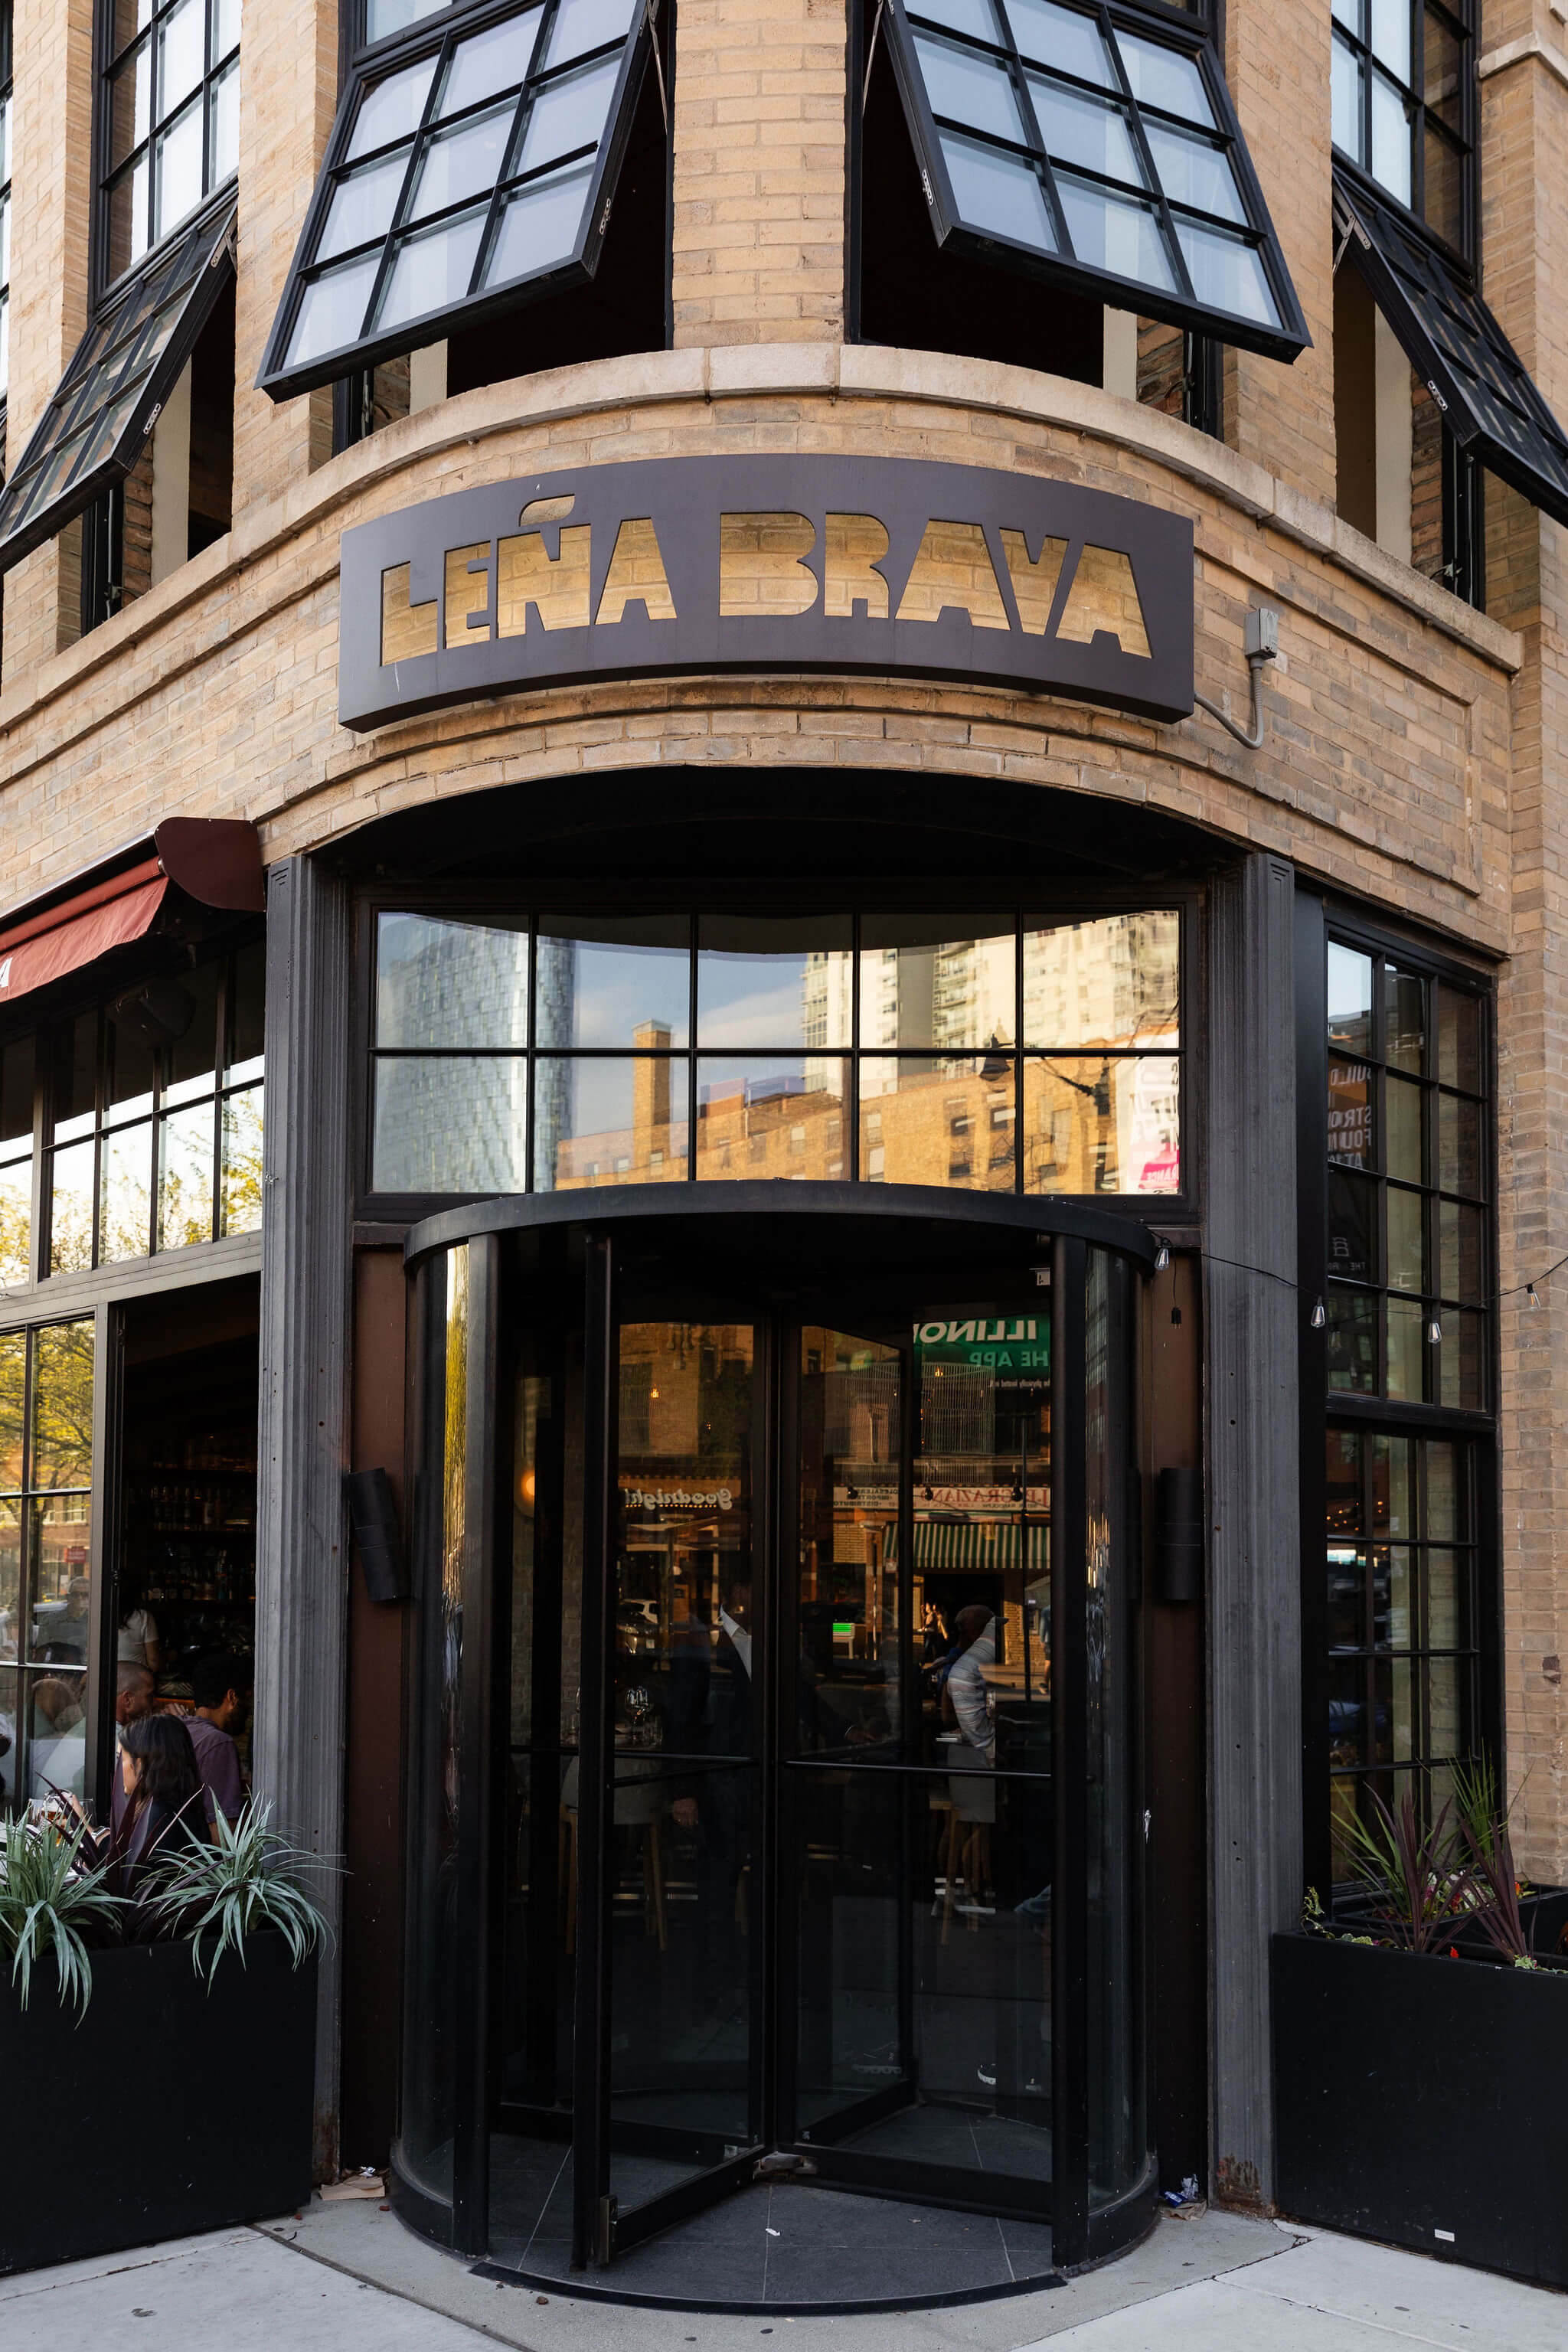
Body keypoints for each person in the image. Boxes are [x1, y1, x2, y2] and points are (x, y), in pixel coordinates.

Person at [111, 1714, 207, 1897]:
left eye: (120, 1757)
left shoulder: (161, 1815)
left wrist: (90, 1832)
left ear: (140, 1762)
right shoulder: (182, 1809)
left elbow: (128, 1877)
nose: (116, 1767)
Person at [186, 1652, 252, 1830]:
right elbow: (222, 1835)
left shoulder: (180, 1728)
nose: (250, 1710)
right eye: (248, 1699)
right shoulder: (219, 1743)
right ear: (232, 1697)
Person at [111, 1661, 155, 1835]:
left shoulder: (90, 1730)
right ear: (128, 1700)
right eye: (150, 1697)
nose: (155, 1703)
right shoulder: (125, 1741)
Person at [116, 1598, 162, 1673]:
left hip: (104, 1678)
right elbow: (154, 1661)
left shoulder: (100, 1615)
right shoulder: (143, 1617)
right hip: (137, 1677)